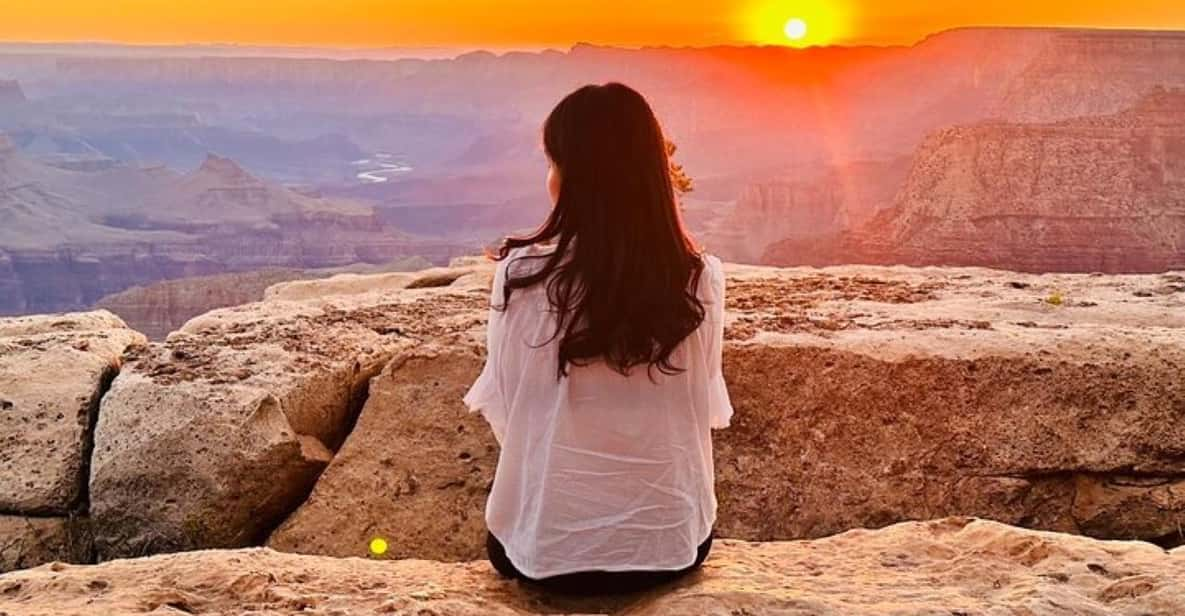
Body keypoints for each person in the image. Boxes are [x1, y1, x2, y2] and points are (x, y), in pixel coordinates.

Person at [463, 82, 733, 596]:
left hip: (543, 553)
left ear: (574, 176)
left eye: (554, 162)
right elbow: (706, 408)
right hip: (670, 547)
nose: (550, 177)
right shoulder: (700, 278)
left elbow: (508, 407)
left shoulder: (521, 275)